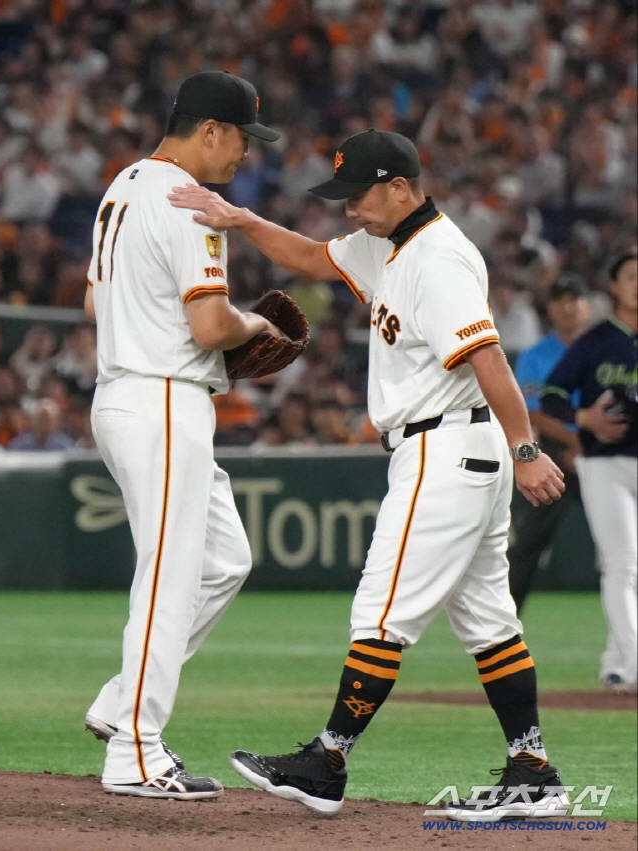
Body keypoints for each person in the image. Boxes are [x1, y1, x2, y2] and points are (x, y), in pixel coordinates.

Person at [169, 129, 569, 823]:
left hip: (443, 450)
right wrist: (242, 220)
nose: (350, 208)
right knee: (489, 623)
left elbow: (491, 359)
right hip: (452, 450)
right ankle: (532, 769)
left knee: (380, 615)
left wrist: (527, 447)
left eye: (359, 195)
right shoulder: (389, 243)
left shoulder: (438, 259)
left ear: (401, 187)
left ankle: (327, 759)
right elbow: (310, 257)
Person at [83, 70, 282, 799]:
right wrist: (253, 324)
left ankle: (119, 703)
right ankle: (136, 748)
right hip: (163, 398)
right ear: (210, 131)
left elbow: (90, 298)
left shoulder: (121, 185)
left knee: (226, 557)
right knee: (168, 578)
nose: (244, 157)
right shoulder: (193, 204)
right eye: (241, 140)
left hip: (126, 395)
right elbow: (208, 326)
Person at [541, 248, 637, 694]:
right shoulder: (598, 341)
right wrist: (584, 419)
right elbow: (553, 396)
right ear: (614, 288)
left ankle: (616, 664)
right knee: (622, 565)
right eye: (631, 276)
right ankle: (634, 664)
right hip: (605, 463)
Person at [508, 274, 592, 611]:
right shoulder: (535, 355)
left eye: (575, 299)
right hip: (554, 453)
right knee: (528, 541)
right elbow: (530, 412)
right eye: (560, 300)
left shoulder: (608, 348)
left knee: (626, 538)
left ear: (589, 306)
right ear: (550, 308)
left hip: (602, 448)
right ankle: (503, 622)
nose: (568, 307)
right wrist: (576, 442)